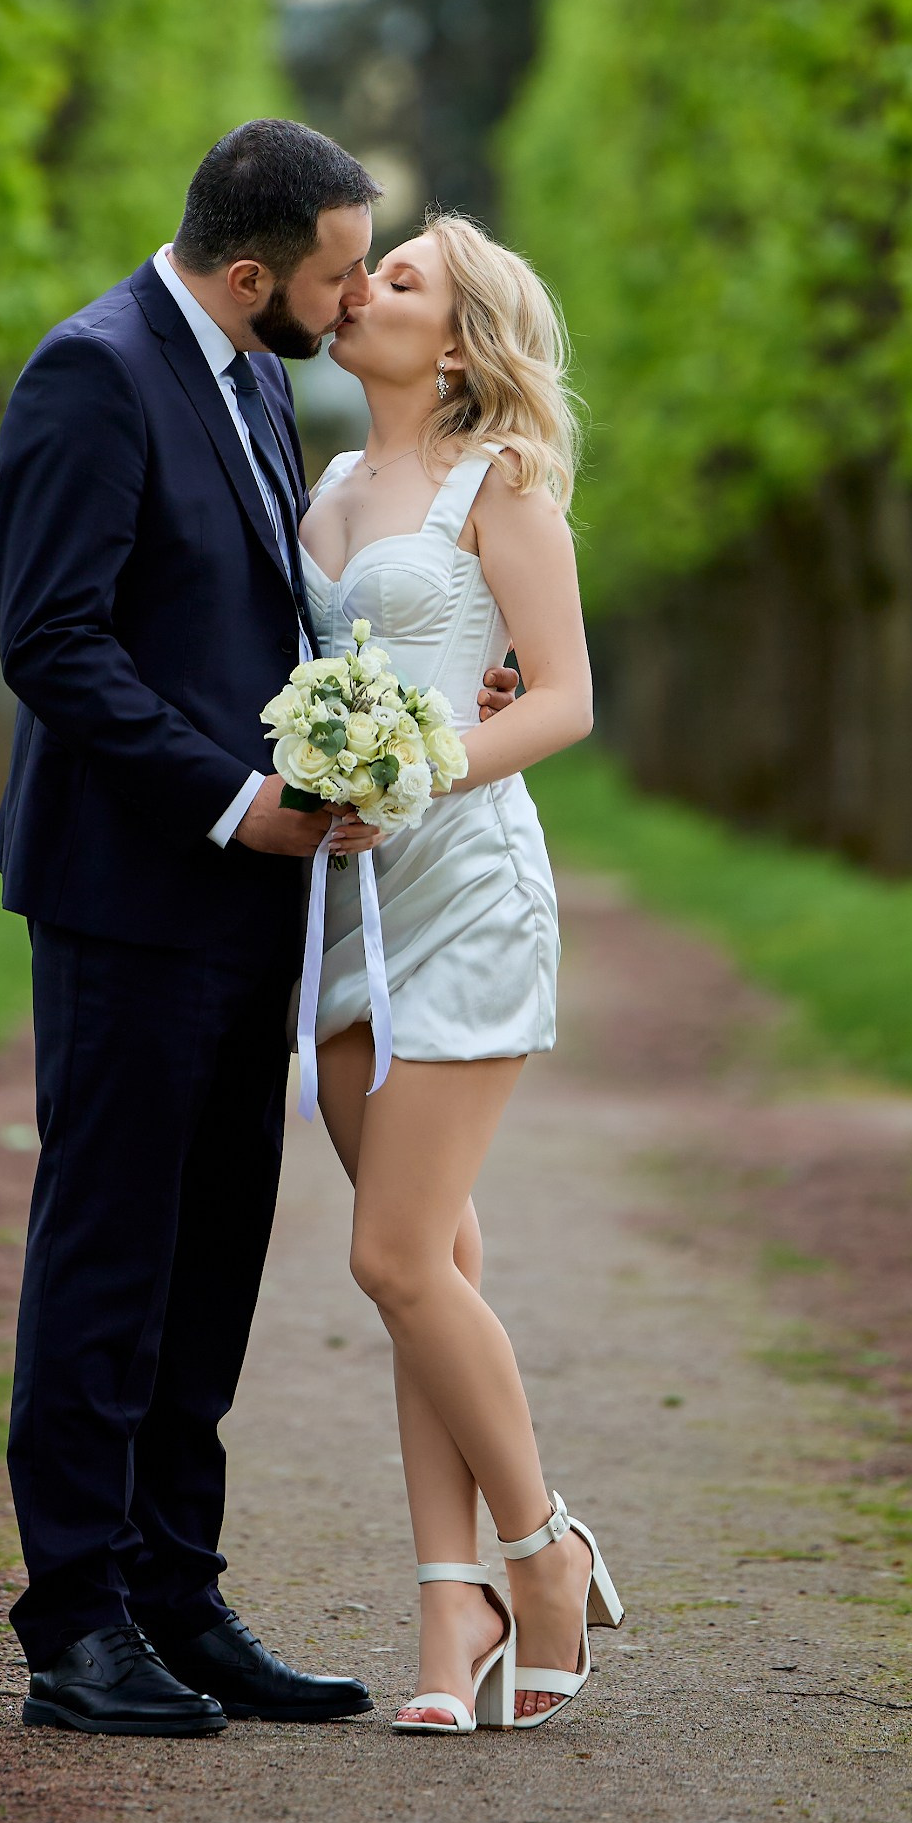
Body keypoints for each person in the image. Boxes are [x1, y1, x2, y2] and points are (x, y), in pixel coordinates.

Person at [0, 118, 516, 1736]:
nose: (353, 297)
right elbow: (54, 644)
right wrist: (231, 800)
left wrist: (444, 702)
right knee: (108, 1252)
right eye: (341, 271)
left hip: (255, 897)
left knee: (213, 1250)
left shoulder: (261, 379)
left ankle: (176, 1592)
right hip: (132, 888)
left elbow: (283, 619)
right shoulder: (92, 373)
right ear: (249, 271)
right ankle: (76, 1622)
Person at [300, 214, 623, 1732]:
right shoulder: (327, 492)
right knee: (427, 1274)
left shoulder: (506, 489)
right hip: (345, 903)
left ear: (460, 340)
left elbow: (558, 699)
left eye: (404, 278)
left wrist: (414, 781)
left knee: (394, 1258)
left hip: (465, 884)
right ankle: (452, 1621)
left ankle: (544, 1550)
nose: (365, 289)